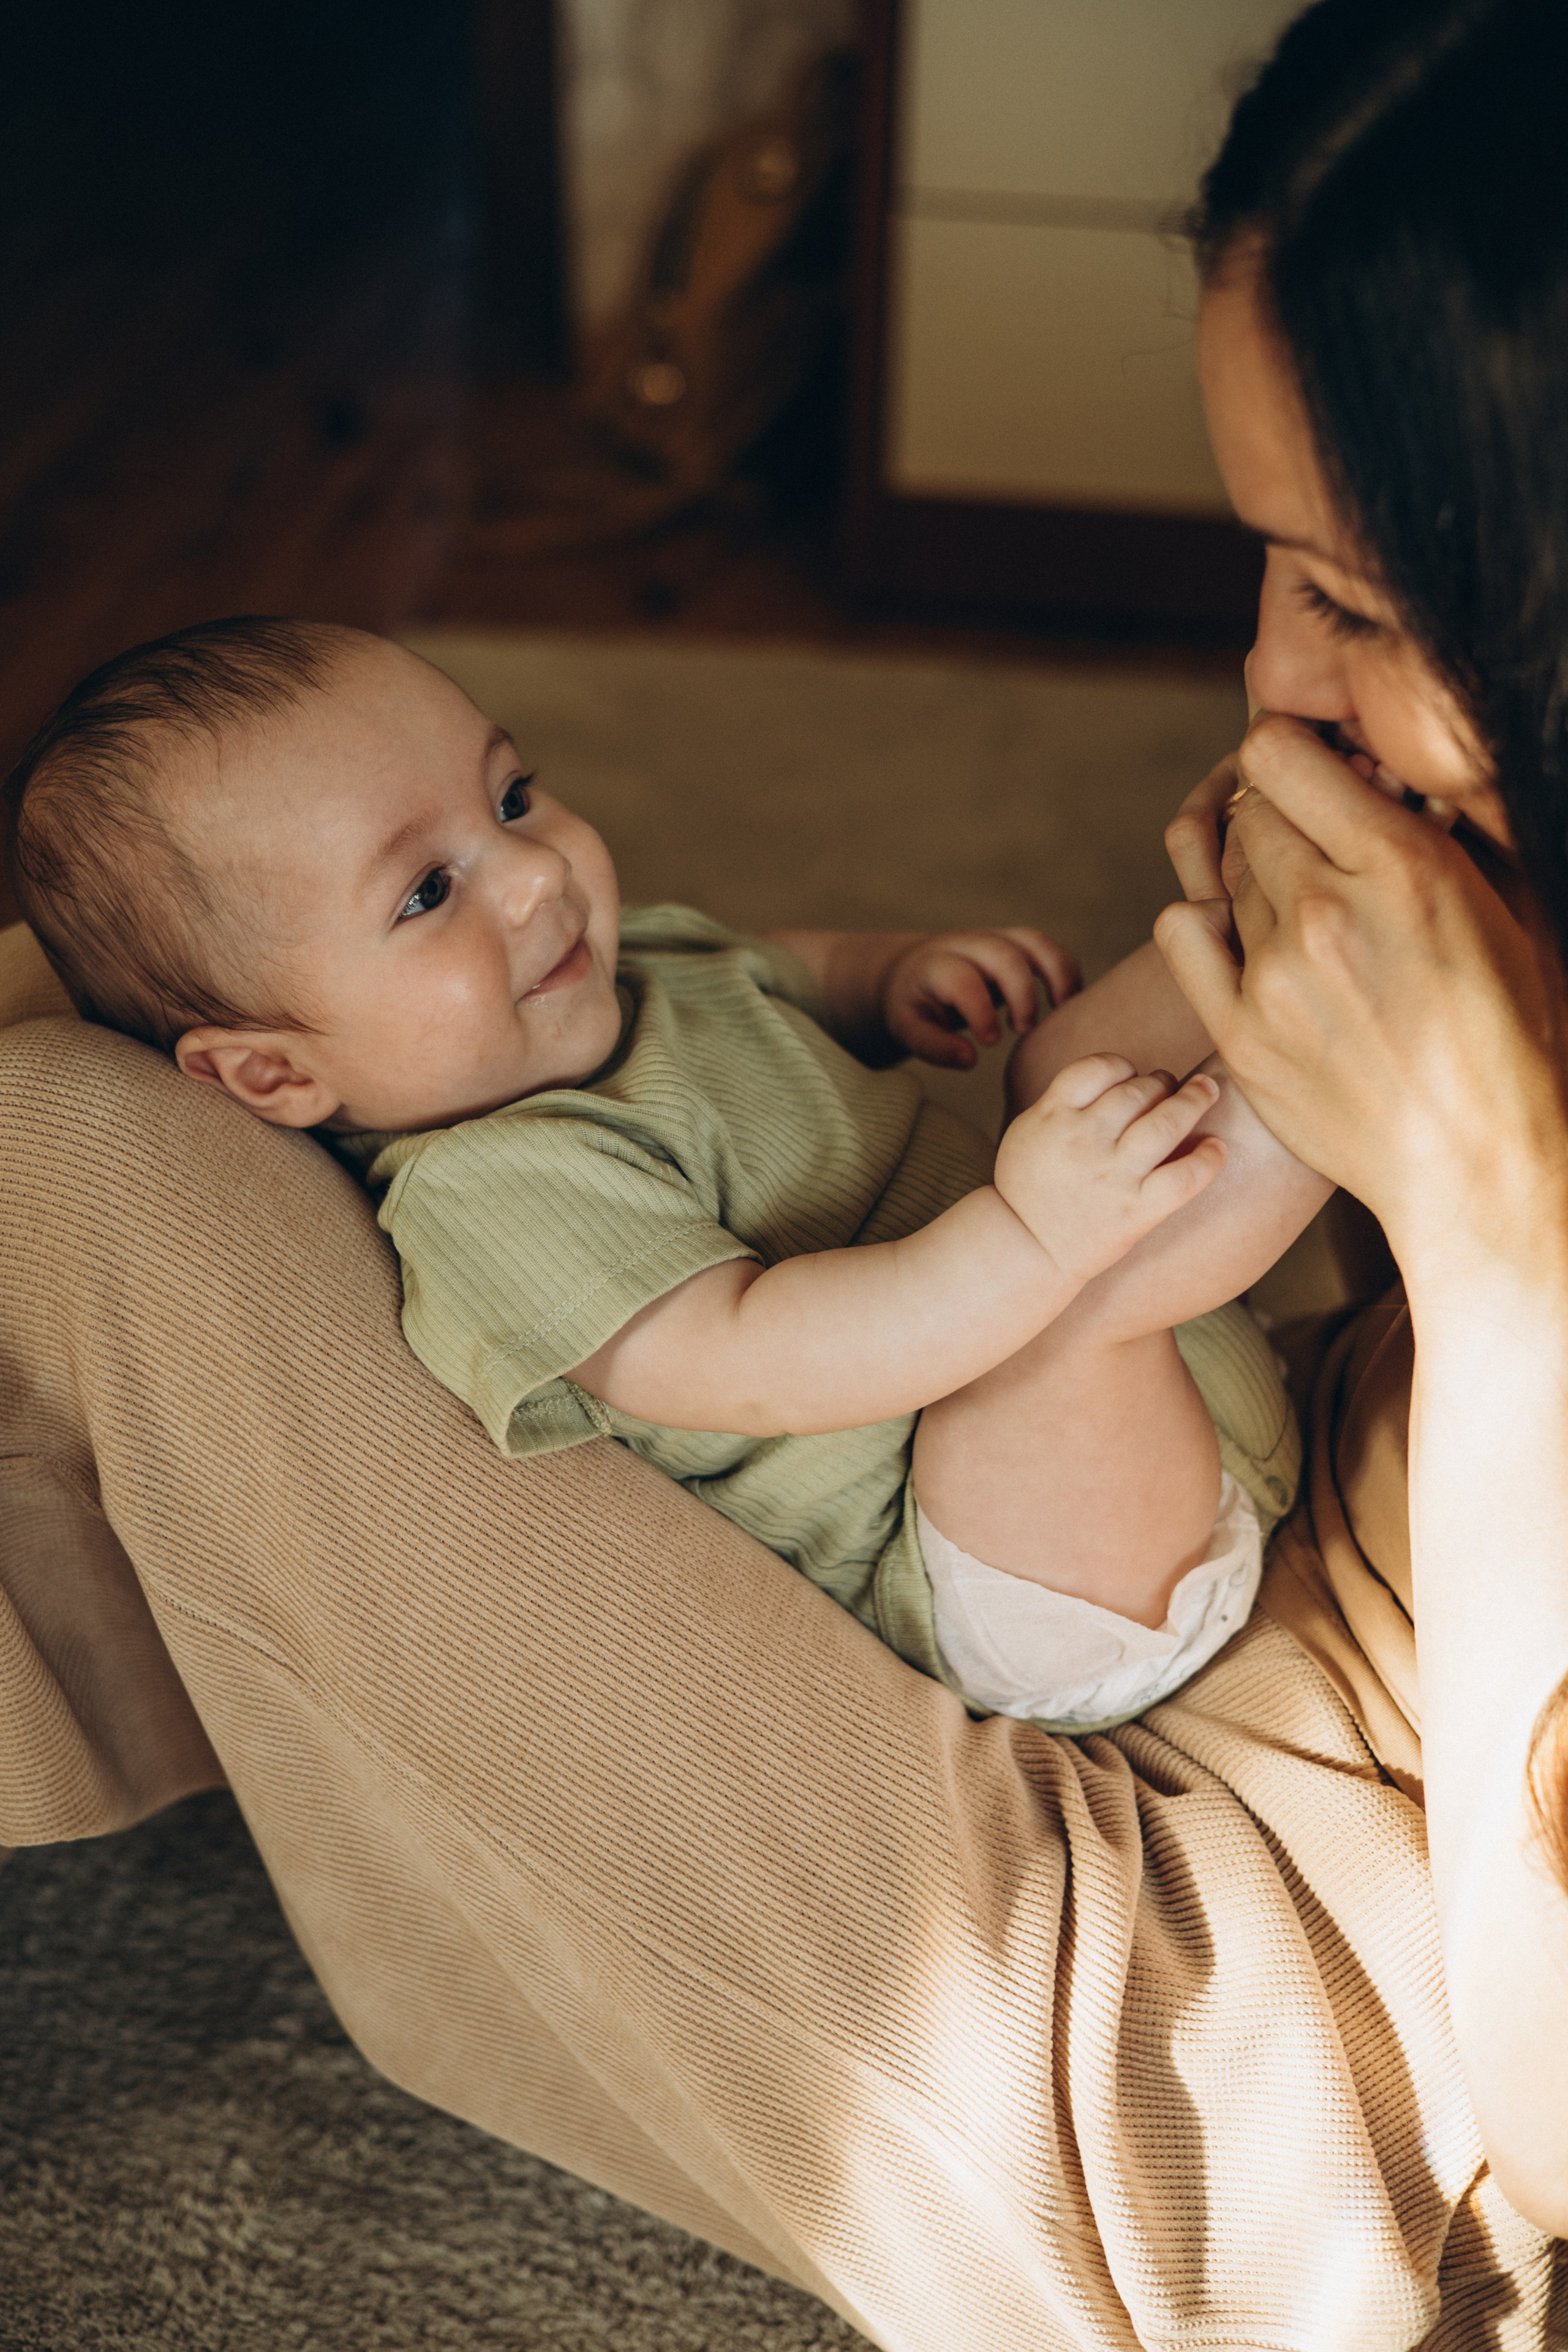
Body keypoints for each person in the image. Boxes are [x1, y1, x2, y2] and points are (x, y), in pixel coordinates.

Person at [2, 0, 1566, 2340]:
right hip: (1335, 1510)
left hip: (1316, 2011)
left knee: (64, 1146)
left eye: (1355, 597)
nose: (1270, 677)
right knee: (75, 1054)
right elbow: (812, 1024)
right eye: (1264, 569)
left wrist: (1488, 1228)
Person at [0, 621, 1323, 1730]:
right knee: (1084, 1306)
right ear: (278, 1077)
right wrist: (1036, 1244)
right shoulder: (495, 1194)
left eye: (510, 797)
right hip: (1019, 1575)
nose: (529, 876)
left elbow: (785, 976)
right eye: (424, 894)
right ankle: (1349, 1048)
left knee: (1058, 1063)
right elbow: (755, 1355)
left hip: (1164, 1405)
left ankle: (1291, 898)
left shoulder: (617, 975)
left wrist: (895, 976)